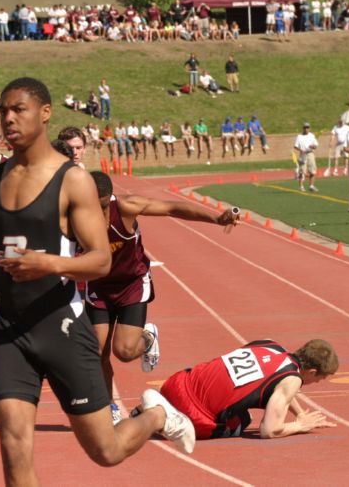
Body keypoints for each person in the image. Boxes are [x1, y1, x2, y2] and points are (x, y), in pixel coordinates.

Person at [0, 78, 195, 485]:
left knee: (105, 451)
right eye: (4, 111)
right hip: (9, 329)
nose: (9, 118)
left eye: (19, 109)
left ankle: (156, 414)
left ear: (45, 113)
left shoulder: (72, 180)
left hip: (62, 326)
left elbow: (100, 260)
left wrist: (49, 264)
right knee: (14, 445)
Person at [87, 171, 239, 424]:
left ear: (109, 199)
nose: (99, 214)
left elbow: (171, 208)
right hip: (98, 288)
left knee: (124, 351)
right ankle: (109, 406)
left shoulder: (126, 207)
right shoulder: (73, 215)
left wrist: (216, 218)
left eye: (103, 206)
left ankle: (147, 337)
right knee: (95, 351)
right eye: (93, 207)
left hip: (131, 284)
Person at [136, 339, 338, 440]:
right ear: (311, 371)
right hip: (196, 417)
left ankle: (153, 409)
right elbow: (269, 430)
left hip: (177, 382)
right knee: (242, 420)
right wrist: (299, 425)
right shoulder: (291, 380)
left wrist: (300, 412)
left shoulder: (269, 345)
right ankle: (161, 422)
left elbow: (280, 385)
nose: (318, 382)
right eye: (320, 378)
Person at [294, 123, 319, 192]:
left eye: (307, 127)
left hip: (310, 154)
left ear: (310, 128)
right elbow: (295, 146)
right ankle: (301, 186)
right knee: (302, 171)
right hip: (303, 154)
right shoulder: (299, 136)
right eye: (305, 127)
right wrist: (301, 150)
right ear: (303, 128)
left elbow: (316, 145)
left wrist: (313, 146)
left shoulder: (312, 135)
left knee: (313, 171)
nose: (306, 129)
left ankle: (311, 186)